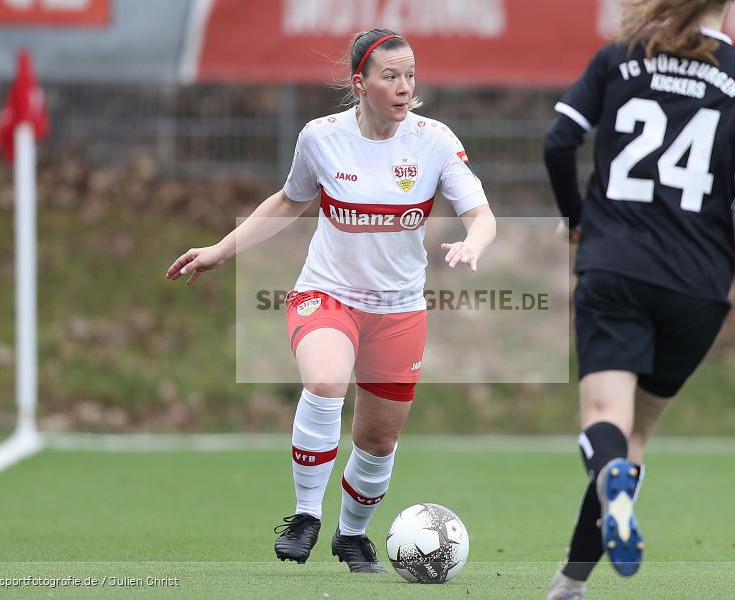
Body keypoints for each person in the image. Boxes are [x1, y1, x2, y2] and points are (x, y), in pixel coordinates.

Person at [165, 28, 495, 573]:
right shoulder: (320, 138)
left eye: (410, 74)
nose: (404, 86)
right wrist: (221, 250)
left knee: (378, 441)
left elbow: (479, 215)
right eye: (390, 75)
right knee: (324, 381)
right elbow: (288, 202)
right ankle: (305, 516)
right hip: (327, 294)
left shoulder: (434, 140)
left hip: (398, 310)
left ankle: (351, 535)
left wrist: (472, 243)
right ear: (359, 82)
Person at [542, 0, 735, 596]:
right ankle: (569, 586)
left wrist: (577, 218)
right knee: (634, 441)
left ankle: (606, 500)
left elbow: (558, 141)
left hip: (614, 266)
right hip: (698, 283)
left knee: (607, 427)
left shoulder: (620, 56)